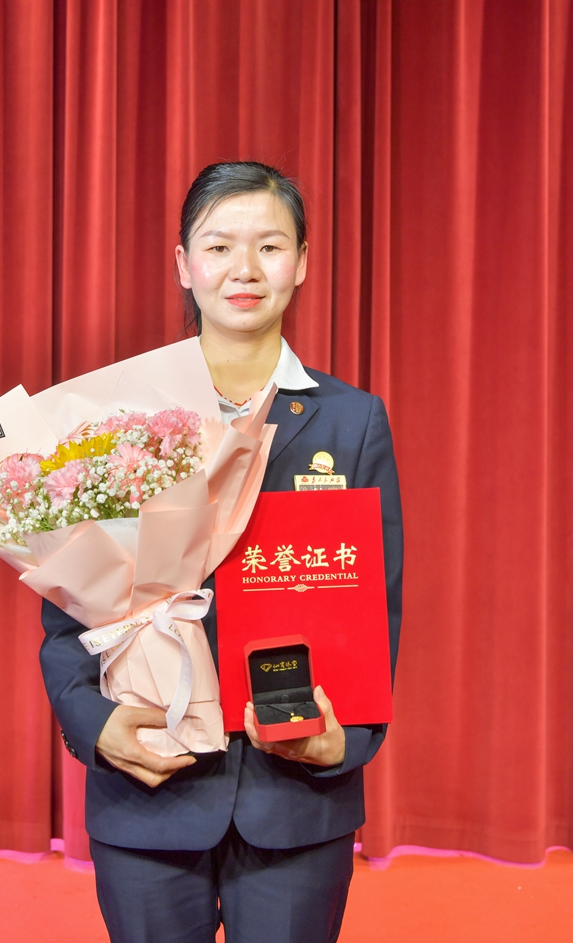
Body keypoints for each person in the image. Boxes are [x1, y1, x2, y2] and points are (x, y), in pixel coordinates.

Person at [40, 161, 403, 943]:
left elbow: (378, 606)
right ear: (183, 264)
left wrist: (346, 741)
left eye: (270, 246)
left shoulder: (353, 422)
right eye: (219, 246)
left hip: (297, 796)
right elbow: (67, 605)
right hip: (148, 789)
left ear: (301, 262)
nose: (245, 269)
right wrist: (96, 724)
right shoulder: (120, 415)